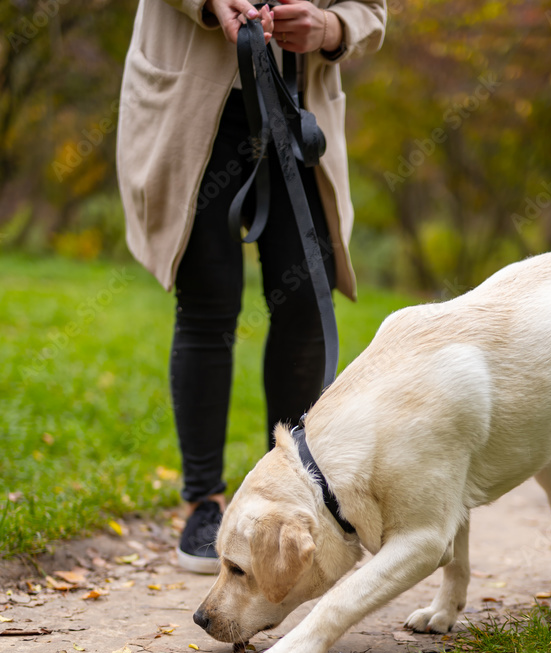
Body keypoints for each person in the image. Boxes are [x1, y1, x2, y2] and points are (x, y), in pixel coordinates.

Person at [116, 0, 387, 572]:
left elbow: (370, 9)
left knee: (305, 310)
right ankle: (204, 503)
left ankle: (289, 492)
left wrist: (332, 27)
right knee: (209, 306)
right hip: (194, 107)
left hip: (298, 106)